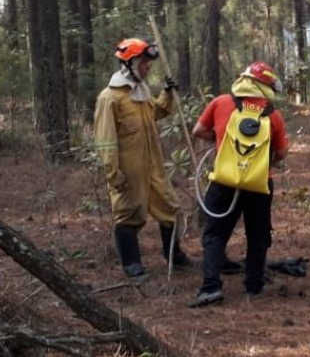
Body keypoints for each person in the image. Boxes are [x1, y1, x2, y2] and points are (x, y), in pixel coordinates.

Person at [187, 61, 289, 308]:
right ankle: (254, 284)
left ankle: (211, 287)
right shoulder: (273, 115)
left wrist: (221, 140)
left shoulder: (221, 102)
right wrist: (261, 163)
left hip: (224, 181)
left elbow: (198, 130)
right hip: (259, 185)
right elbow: (281, 153)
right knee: (258, 234)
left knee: (215, 234)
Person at [93, 37, 194, 278]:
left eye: (149, 63)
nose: (148, 67)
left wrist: (167, 94)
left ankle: (174, 256)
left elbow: (155, 112)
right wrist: (113, 173)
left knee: (169, 207)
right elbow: (105, 141)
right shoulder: (109, 98)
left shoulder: (142, 91)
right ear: (129, 63)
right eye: (144, 63)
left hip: (153, 166)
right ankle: (132, 266)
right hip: (128, 171)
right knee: (129, 214)